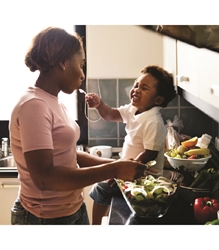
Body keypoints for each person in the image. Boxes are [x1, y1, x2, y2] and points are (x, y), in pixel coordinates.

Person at [9, 26, 146, 225]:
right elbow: (44, 178)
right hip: (45, 219)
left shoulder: (53, 101)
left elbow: (68, 154)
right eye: (80, 64)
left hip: (72, 209)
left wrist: (118, 166)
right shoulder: (34, 105)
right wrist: (114, 170)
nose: (82, 74)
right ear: (63, 62)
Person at [86, 65, 176, 224]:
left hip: (143, 178)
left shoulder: (153, 122)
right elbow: (111, 114)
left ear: (158, 100)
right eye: (136, 85)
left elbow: (149, 154)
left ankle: (95, 225)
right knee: (102, 185)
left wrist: (122, 171)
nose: (136, 90)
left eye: (144, 88)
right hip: (127, 171)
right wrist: (99, 104)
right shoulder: (133, 109)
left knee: (101, 187)